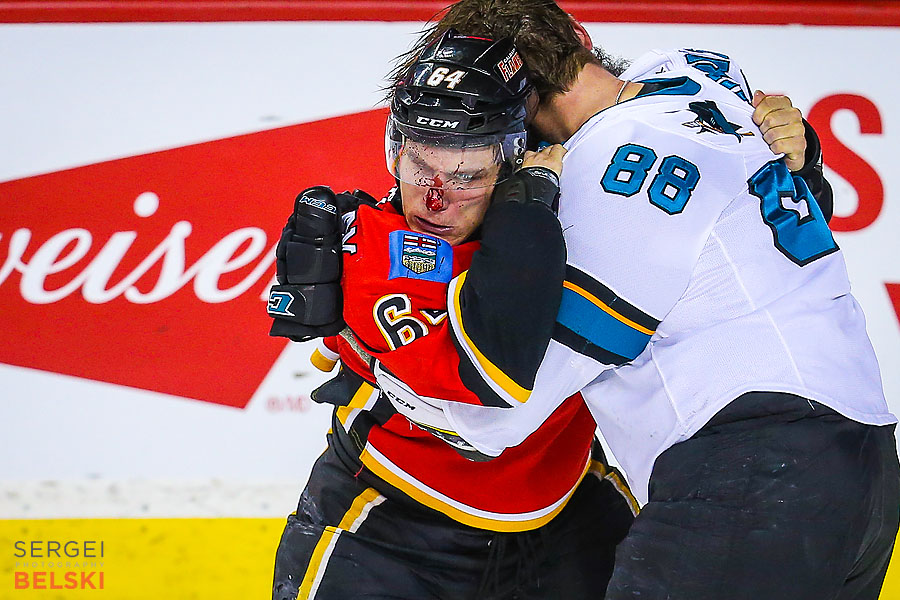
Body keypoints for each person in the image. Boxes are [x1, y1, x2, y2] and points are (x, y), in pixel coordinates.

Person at [268, 21, 835, 600]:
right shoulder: (374, 244)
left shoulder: (591, 207)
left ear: (516, 154)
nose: (436, 199)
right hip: (392, 527)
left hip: (569, 517)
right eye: (421, 168)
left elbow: (750, 238)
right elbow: (492, 381)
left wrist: (793, 156)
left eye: (468, 175)